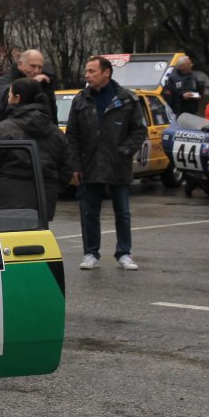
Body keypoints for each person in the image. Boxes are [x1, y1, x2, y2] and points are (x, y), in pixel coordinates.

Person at [65, 56, 144, 271]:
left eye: (92, 71)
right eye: (87, 71)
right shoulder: (81, 100)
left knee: (122, 212)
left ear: (106, 73)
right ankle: (91, 253)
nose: (87, 75)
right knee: (89, 212)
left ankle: (124, 253)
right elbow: (72, 135)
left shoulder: (126, 99)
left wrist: (124, 151)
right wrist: (75, 166)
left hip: (118, 164)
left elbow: (139, 131)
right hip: (89, 165)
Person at [0, 79, 68, 221]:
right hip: (42, 205)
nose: (7, 99)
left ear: (17, 98)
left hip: (5, 205)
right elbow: (66, 170)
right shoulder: (56, 134)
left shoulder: (2, 130)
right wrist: (49, 188)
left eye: (9, 95)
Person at [0, 49, 54, 122]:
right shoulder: (4, 81)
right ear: (20, 64)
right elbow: (4, 100)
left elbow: (52, 113)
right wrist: (31, 84)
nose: (36, 71)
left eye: (40, 67)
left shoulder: (44, 82)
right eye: (33, 66)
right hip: (9, 127)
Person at [160, 55, 205, 119]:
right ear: (182, 67)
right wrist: (182, 95)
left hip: (192, 113)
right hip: (178, 114)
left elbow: (199, 92)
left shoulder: (193, 77)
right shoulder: (172, 78)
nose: (192, 65)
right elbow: (168, 98)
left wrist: (196, 95)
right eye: (189, 64)